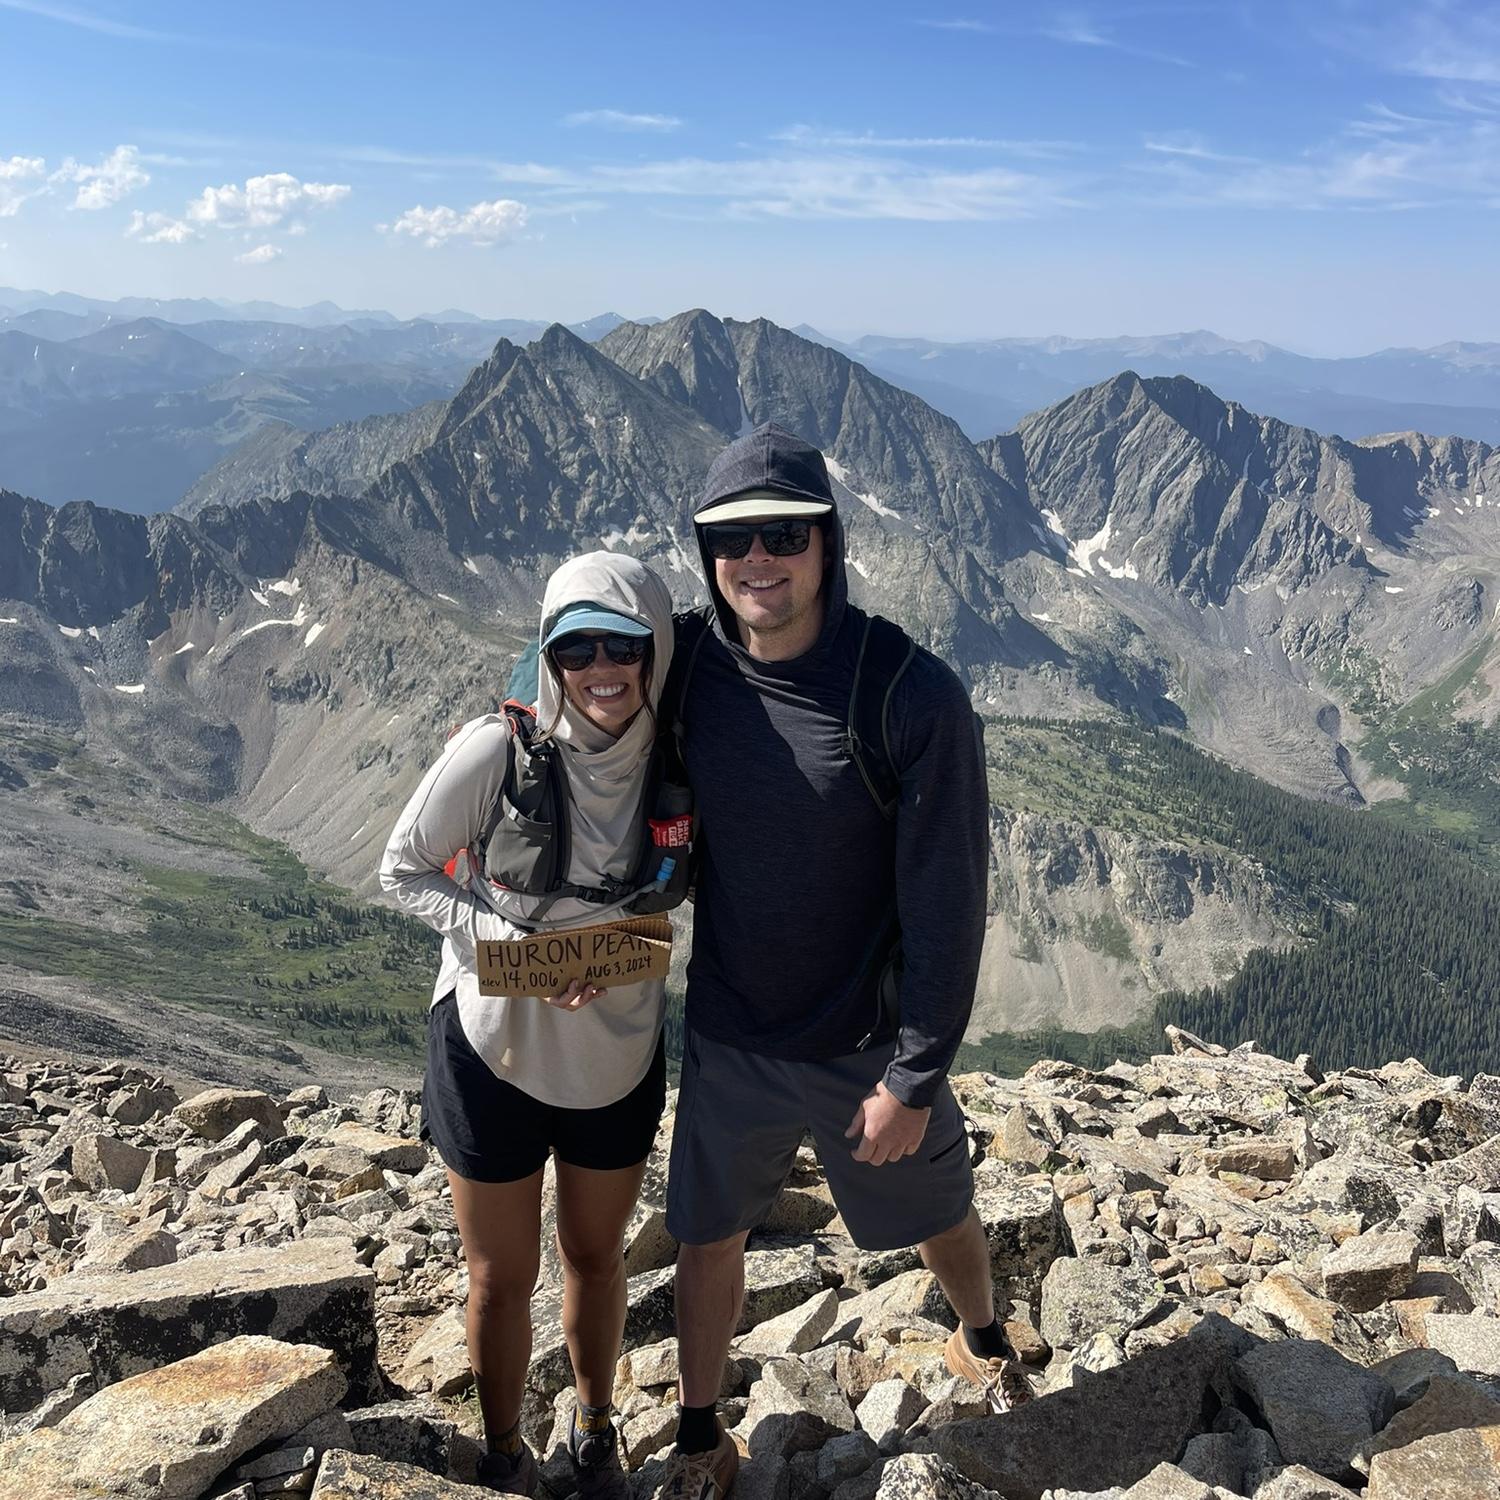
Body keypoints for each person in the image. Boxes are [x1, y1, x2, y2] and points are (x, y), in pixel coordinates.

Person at [654, 424, 1024, 1500]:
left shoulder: (910, 693)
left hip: (863, 1043)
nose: (756, 559)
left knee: (937, 1211)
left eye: (783, 534)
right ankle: (697, 1432)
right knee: (705, 1231)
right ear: (706, 553)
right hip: (728, 1028)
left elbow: (950, 902)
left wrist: (915, 1076)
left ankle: (985, 1339)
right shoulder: (685, 665)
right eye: (732, 539)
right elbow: (572, 670)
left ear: (827, 543)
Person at [380, 552, 681, 1498]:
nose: (601, 666)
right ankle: (505, 1451)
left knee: (596, 1255)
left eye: (623, 644)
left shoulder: (682, 761)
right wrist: (501, 937)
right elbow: (404, 867)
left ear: (655, 651)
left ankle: (597, 1428)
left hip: (617, 1048)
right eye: (574, 646)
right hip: (490, 1047)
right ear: (548, 658)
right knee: (499, 1275)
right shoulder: (494, 751)